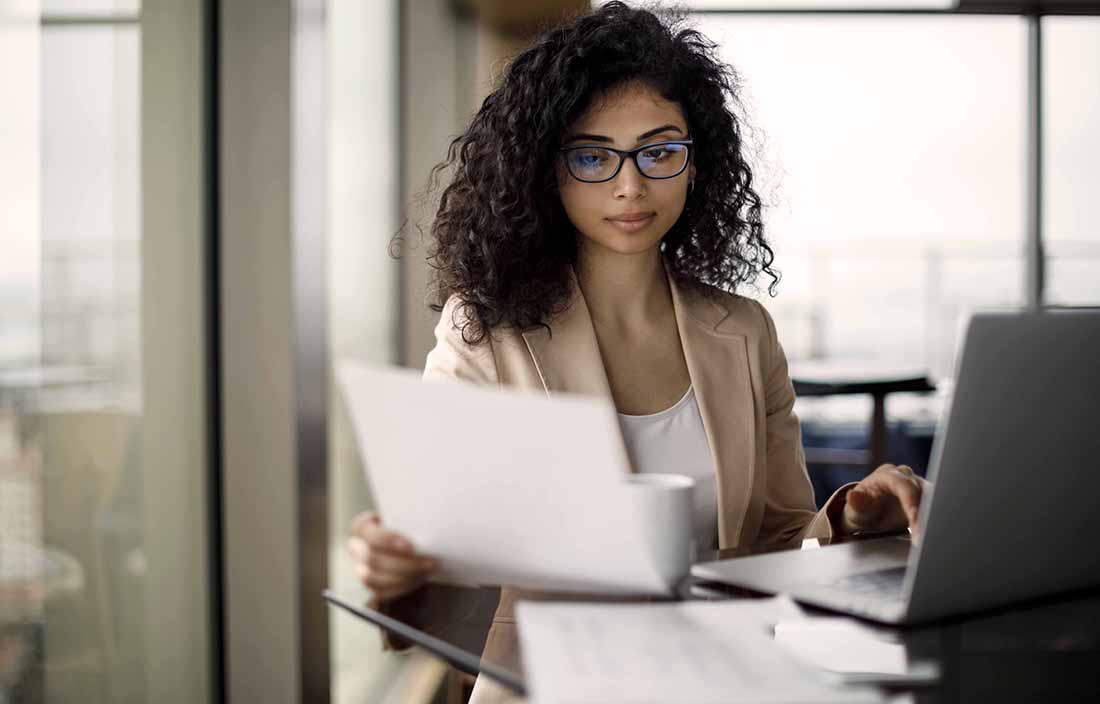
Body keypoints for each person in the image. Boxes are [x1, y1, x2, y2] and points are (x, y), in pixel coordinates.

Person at [348, 3, 928, 702]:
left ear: (695, 161)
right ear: (546, 168)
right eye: (593, 156)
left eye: (658, 151)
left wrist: (852, 519)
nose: (631, 185)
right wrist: (399, 568)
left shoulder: (744, 332)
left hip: (725, 683)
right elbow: (444, 560)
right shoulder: (486, 332)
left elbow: (777, 542)